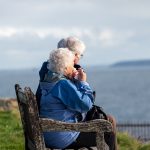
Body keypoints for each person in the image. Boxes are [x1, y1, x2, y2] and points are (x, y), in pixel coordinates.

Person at [40, 48, 116, 149]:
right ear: (66, 67)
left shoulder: (48, 79)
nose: (74, 67)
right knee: (107, 129)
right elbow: (85, 105)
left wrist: (73, 81)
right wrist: (83, 82)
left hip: (49, 134)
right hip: (62, 137)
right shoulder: (62, 84)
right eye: (72, 64)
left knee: (108, 121)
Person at [36, 36, 85, 111]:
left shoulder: (47, 68)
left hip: (43, 110)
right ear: (73, 55)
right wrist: (82, 82)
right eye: (79, 55)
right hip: (60, 117)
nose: (79, 58)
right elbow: (82, 103)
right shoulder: (60, 77)